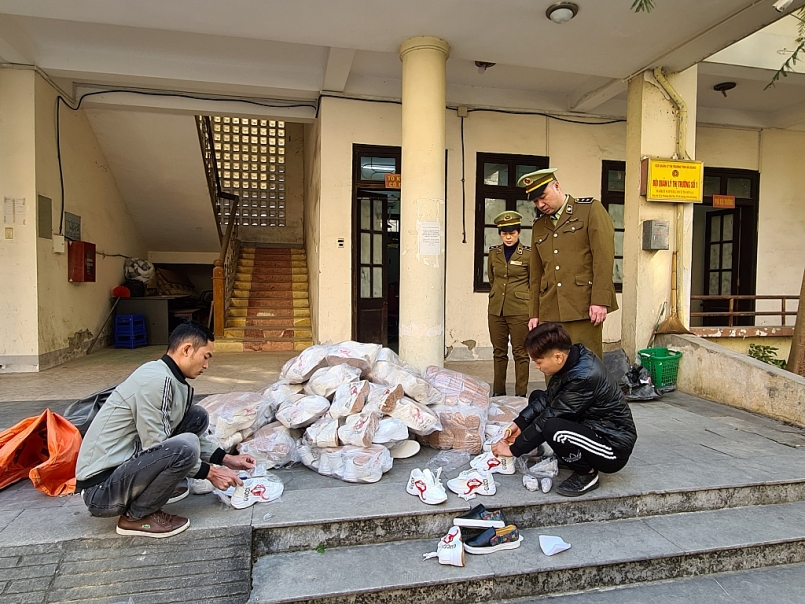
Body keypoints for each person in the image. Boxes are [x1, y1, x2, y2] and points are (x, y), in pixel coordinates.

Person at [76, 321, 255, 538]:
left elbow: (174, 434)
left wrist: (226, 459)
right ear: (187, 349)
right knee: (185, 447)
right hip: (102, 489)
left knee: (195, 417)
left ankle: (157, 488)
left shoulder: (169, 378)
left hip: (122, 469)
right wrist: (212, 473)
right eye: (206, 356)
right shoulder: (156, 381)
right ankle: (137, 516)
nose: (206, 365)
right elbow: (158, 445)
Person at [492, 322, 636, 497]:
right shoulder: (572, 359)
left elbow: (550, 416)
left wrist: (514, 449)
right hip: (592, 425)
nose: (537, 367)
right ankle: (571, 456)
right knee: (538, 396)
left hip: (612, 446)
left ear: (558, 357)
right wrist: (519, 424)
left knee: (553, 428)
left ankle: (587, 474)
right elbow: (548, 398)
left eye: (538, 362)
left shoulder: (584, 376)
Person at [517, 168, 617, 359]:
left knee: (585, 364)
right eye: (536, 201)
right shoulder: (539, 225)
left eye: (543, 197)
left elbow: (603, 257)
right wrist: (534, 313)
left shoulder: (589, 210)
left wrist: (600, 300)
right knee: (551, 365)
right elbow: (536, 273)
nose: (540, 204)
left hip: (583, 305)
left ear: (556, 186)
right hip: (549, 308)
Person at [487, 210, 531, 397]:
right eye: (504, 233)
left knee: (520, 353)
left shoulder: (528, 254)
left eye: (512, 233)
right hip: (496, 309)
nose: (508, 237)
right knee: (499, 352)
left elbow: (533, 281)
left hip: (520, 310)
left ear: (518, 233)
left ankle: (520, 394)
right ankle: (499, 392)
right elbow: (492, 278)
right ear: (500, 233)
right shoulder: (494, 253)